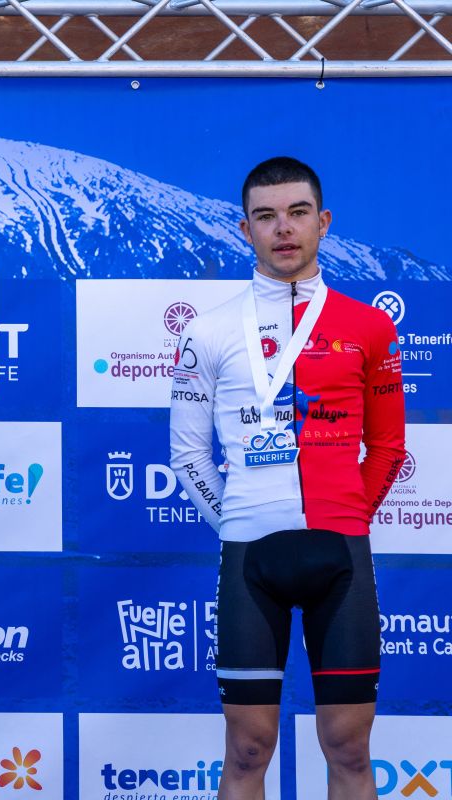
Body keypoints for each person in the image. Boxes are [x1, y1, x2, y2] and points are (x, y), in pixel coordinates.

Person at [170, 156, 405, 800]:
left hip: (341, 555)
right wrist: (238, 520)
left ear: (322, 222)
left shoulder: (369, 326)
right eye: (266, 216)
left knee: (350, 747)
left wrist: (347, 516)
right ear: (244, 229)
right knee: (247, 749)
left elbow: (388, 447)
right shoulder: (208, 330)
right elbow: (187, 455)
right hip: (251, 558)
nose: (283, 229)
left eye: (298, 213)